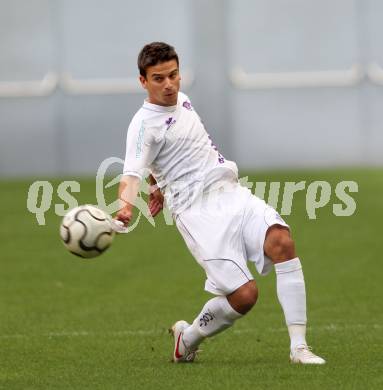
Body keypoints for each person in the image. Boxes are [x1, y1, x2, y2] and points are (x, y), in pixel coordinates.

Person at [116, 42, 325, 365]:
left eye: (173, 75)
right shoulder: (143, 126)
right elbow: (132, 171)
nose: (169, 84)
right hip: (197, 214)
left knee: (282, 241)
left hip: (231, 194)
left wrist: (156, 185)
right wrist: (126, 207)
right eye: (158, 78)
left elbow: (165, 157)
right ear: (143, 81)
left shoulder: (182, 101)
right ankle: (187, 339)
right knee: (244, 296)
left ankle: (299, 348)